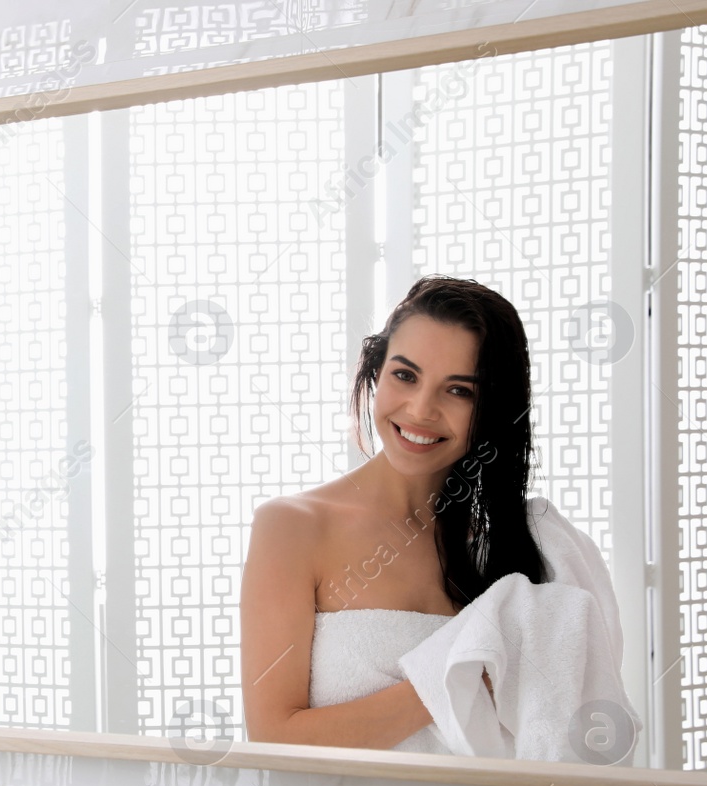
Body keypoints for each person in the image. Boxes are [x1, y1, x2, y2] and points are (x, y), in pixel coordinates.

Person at [239, 274, 609, 751]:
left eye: (459, 391)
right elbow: (274, 735)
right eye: (405, 375)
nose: (420, 410)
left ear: (493, 409)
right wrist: (454, 681)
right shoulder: (293, 527)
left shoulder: (514, 552)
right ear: (376, 371)